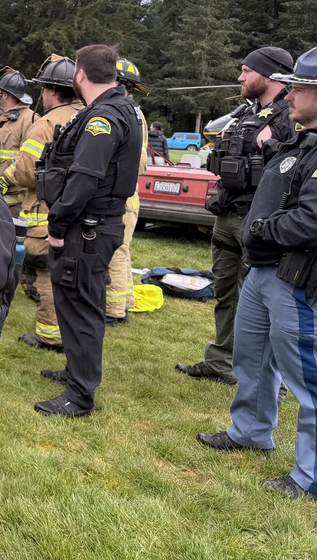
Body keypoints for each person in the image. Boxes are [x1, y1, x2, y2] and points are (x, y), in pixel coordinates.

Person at [196, 46, 317, 502]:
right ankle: (250, 430)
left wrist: (262, 228)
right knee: (251, 358)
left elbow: (311, 221)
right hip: (263, 269)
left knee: (306, 376)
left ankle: (310, 476)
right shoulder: (301, 141)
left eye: (300, 87)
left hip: (294, 276)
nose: (290, 95)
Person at [34, 44, 142, 417]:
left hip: (87, 226)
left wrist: (58, 223)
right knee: (76, 300)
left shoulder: (104, 117)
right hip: (93, 224)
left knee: (82, 304)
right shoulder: (114, 108)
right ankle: (75, 372)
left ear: (80, 75)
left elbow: (84, 178)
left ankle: (79, 394)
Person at [176, 46, 294, 386]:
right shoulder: (247, 112)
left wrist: (271, 145)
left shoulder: (291, 114)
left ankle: (263, 378)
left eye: (246, 70)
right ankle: (220, 361)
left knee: (260, 301)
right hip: (227, 213)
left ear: (269, 74)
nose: (240, 77)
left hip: (258, 219)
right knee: (225, 292)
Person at [7, 54, 84, 350]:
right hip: (82, 214)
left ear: (52, 90)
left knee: (47, 276)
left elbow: (26, 170)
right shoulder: (90, 115)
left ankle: (50, 335)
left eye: (43, 88)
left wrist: (5, 180)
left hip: (46, 213)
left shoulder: (46, 123)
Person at [104, 58, 150, 326]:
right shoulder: (134, 113)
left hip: (121, 198)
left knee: (116, 252)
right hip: (126, 197)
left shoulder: (127, 114)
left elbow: (139, 163)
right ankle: (124, 303)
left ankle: (114, 310)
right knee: (121, 251)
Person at [0, 66, 37, 218]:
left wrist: (5, 180)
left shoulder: (29, 119)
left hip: (15, 207)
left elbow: (28, 158)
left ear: (5, 95)